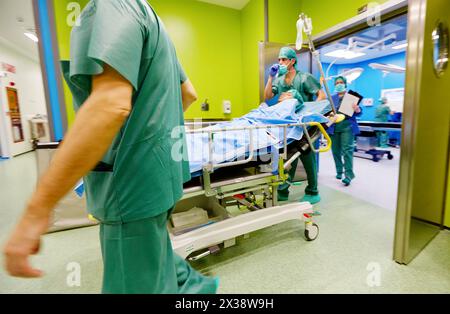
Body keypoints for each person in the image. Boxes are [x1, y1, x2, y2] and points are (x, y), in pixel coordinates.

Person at [3, 0, 218, 294]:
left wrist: (36, 210)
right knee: (161, 268)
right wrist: (149, 137)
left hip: (129, 190)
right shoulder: (151, 20)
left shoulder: (111, 7)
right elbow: (188, 94)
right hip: (158, 181)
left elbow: (109, 107)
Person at [264, 47, 327, 205]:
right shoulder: (279, 79)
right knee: (289, 157)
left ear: (292, 61)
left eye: (284, 59)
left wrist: (309, 109)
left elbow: (322, 95)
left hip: (305, 125)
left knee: (307, 158)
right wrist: (271, 77)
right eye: (279, 60)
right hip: (289, 125)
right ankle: (284, 190)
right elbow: (267, 96)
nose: (280, 62)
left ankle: (313, 191)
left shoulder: (305, 78)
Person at [327, 76, 362, 186]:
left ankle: (348, 175)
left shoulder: (351, 97)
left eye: (341, 82)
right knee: (335, 151)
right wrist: (329, 114)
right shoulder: (331, 98)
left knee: (347, 151)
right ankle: (339, 171)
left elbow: (359, 112)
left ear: (345, 84)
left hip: (347, 126)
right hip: (334, 127)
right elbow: (326, 112)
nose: (339, 84)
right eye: (337, 83)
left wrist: (357, 109)